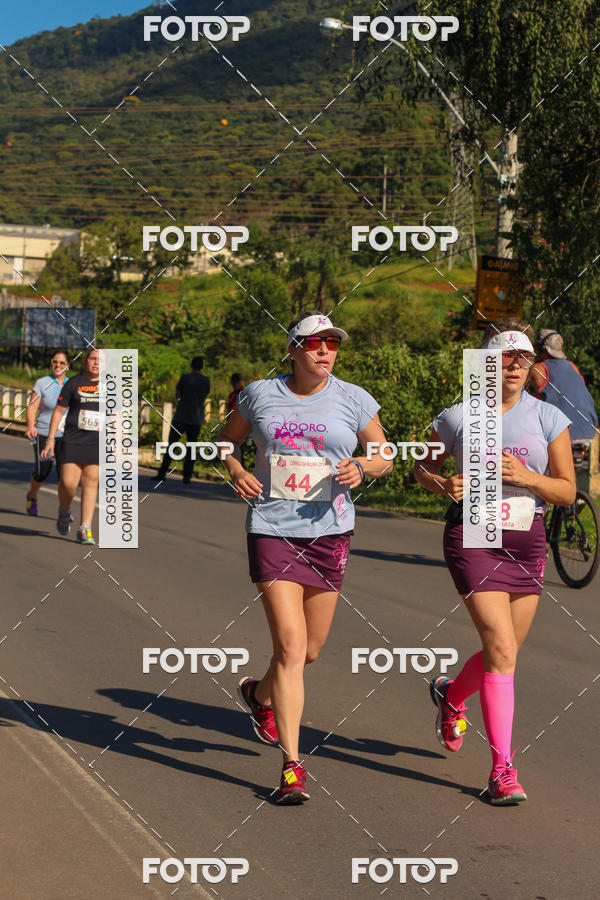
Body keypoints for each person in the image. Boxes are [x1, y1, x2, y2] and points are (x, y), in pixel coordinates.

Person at [218, 311, 390, 804]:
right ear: (293, 348)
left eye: (333, 343)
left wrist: (363, 464)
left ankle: (259, 695)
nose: (325, 351)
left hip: (329, 532)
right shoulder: (259, 394)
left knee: (310, 651)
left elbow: (384, 452)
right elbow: (224, 442)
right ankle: (293, 766)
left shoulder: (354, 398)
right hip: (271, 528)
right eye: (314, 343)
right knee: (291, 649)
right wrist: (233, 468)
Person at [414, 317, 575, 805]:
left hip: (526, 537)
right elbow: (422, 467)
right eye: (502, 357)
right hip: (474, 534)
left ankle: (452, 696)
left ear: (531, 366)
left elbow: (568, 491)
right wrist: (441, 483)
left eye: (521, 358)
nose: (512, 365)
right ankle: (503, 770)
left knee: (502, 654)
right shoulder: (459, 415)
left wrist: (528, 477)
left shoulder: (548, 418)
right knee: (501, 648)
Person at [42, 348, 101, 544]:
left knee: (91, 481)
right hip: (72, 440)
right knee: (68, 484)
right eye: (92, 358)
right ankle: (64, 511)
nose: (96, 362)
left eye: (100, 360)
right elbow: (58, 412)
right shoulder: (73, 383)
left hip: (96, 442)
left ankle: (85, 528)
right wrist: (50, 439)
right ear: (86, 361)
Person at [529, 329, 598, 440]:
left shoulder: (539, 369)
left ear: (542, 348)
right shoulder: (573, 366)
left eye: (536, 346)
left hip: (564, 438)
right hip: (591, 435)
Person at [24, 350, 70, 516]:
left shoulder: (71, 385)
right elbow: (32, 407)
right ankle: (32, 496)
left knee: (65, 476)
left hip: (66, 436)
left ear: (67, 366)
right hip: (43, 433)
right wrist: (30, 426)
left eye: (61, 363)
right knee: (42, 471)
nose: (57, 365)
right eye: (54, 362)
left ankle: (65, 508)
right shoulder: (42, 383)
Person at [154, 356, 211, 484]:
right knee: (191, 448)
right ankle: (187, 476)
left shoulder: (185, 378)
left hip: (181, 416)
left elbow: (177, 394)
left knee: (172, 445)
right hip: (196, 418)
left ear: (191, 365)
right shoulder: (206, 380)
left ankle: (162, 473)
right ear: (202, 367)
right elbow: (205, 395)